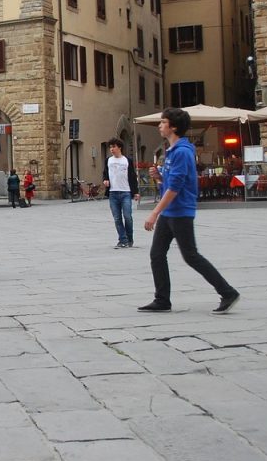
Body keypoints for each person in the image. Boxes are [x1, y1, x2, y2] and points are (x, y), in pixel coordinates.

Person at [140, 108, 240, 314]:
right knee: (157, 254)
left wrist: (154, 212)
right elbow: (168, 184)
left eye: (163, 122)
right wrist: (158, 177)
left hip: (180, 211)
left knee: (191, 255)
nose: (160, 125)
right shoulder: (171, 151)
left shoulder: (183, 152)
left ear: (174, 127)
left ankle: (227, 292)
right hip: (170, 212)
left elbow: (175, 188)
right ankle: (162, 300)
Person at [103, 138, 140, 248]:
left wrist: (136, 192)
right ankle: (122, 240)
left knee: (127, 216)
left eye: (114, 147)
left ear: (119, 147)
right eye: (110, 147)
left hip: (126, 192)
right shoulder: (108, 160)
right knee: (117, 218)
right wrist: (105, 180)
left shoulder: (127, 160)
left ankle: (129, 238)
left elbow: (133, 177)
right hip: (113, 193)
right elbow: (105, 173)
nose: (111, 149)